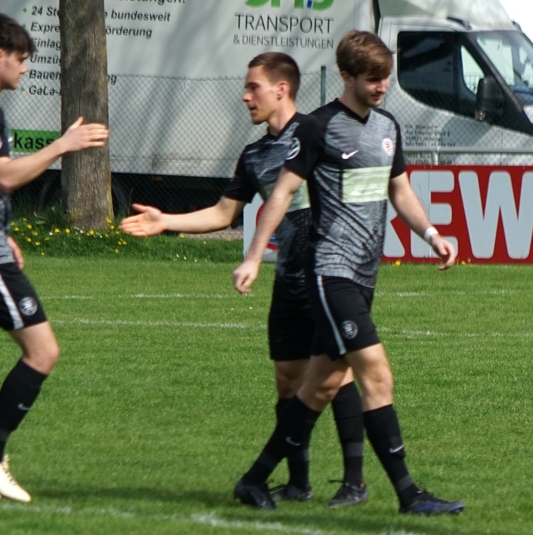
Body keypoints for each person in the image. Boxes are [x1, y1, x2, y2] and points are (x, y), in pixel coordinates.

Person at [232, 30, 464, 516]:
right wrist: (254, 256)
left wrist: (431, 234)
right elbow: (281, 193)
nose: (381, 87)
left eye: (386, 78)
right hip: (329, 272)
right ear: (346, 76)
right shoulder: (318, 128)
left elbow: (400, 191)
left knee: (318, 388)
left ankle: (253, 480)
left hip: (363, 275)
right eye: (372, 79)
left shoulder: (388, 126)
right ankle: (408, 494)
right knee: (377, 376)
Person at [120, 52, 368, 507]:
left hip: (327, 276)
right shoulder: (254, 154)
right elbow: (223, 213)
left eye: (254, 87)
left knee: (337, 376)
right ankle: (298, 483)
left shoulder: (317, 133)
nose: (245, 96)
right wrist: (166, 221)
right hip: (287, 278)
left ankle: (354, 483)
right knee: (288, 380)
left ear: (281, 89)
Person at [0, 11, 109, 503]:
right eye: (21, 59)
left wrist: (2, 230)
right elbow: (5, 175)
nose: (25, 67)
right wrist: (63, 145)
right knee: (43, 351)